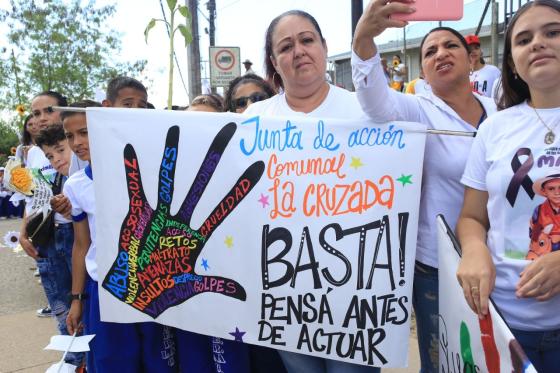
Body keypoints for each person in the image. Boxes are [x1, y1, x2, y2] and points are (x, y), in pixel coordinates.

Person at [351, 1, 497, 372]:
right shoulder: (418, 109)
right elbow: (374, 101)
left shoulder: (500, 111)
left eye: (450, 46)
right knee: (445, 362)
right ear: (424, 71)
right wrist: (364, 37)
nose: (440, 53)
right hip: (437, 267)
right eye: (429, 51)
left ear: (470, 59)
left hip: (501, 261)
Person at [245, 9, 377, 373]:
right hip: (285, 292)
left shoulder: (367, 110)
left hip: (357, 293)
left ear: (323, 46)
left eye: (307, 40)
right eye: (286, 46)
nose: (299, 51)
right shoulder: (253, 120)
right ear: (274, 61)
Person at [456, 2, 560, 371]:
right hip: (503, 323)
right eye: (524, 39)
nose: (538, 44)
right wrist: (472, 249)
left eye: (553, 32)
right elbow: (471, 216)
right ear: (512, 63)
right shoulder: (494, 129)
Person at [64, 99, 177, 372]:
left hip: (150, 286)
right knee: (111, 362)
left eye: (85, 132)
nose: (77, 142)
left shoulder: (146, 176)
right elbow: (81, 245)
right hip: (104, 291)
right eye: (69, 136)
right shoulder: (76, 186)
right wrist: (76, 299)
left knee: (158, 362)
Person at [35, 123, 84, 367]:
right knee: (65, 314)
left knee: (78, 315)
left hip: (79, 264)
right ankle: (74, 362)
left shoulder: (78, 182)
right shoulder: (57, 181)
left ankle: (78, 362)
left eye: (60, 151)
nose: (56, 160)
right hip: (58, 257)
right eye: (50, 156)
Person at [18, 91, 68, 319]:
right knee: (56, 294)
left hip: (73, 232)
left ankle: (86, 352)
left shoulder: (75, 147)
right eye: (36, 113)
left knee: (79, 296)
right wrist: (24, 233)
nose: (41, 118)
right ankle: (71, 353)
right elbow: (32, 196)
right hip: (45, 234)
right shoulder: (34, 154)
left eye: (49, 110)